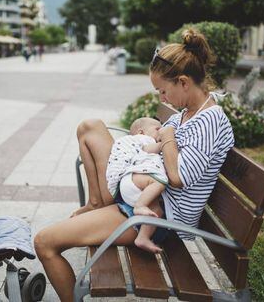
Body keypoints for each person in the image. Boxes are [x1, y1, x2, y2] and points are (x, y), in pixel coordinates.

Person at [34, 28, 235, 301]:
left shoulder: (209, 121)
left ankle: (102, 210)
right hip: (141, 190)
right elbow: (160, 148)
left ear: (184, 82)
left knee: (45, 243)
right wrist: (151, 142)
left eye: (163, 91)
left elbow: (176, 178)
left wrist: (167, 138)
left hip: (156, 216)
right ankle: (98, 203)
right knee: (91, 127)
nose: (162, 99)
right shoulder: (187, 114)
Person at [73, 117, 168, 253]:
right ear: (141, 132)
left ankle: (95, 203)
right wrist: (164, 141)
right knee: (87, 126)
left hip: (136, 191)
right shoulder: (147, 140)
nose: (161, 131)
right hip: (132, 182)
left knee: (89, 126)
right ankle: (94, 202)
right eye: (158, 129)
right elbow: (148, 149)